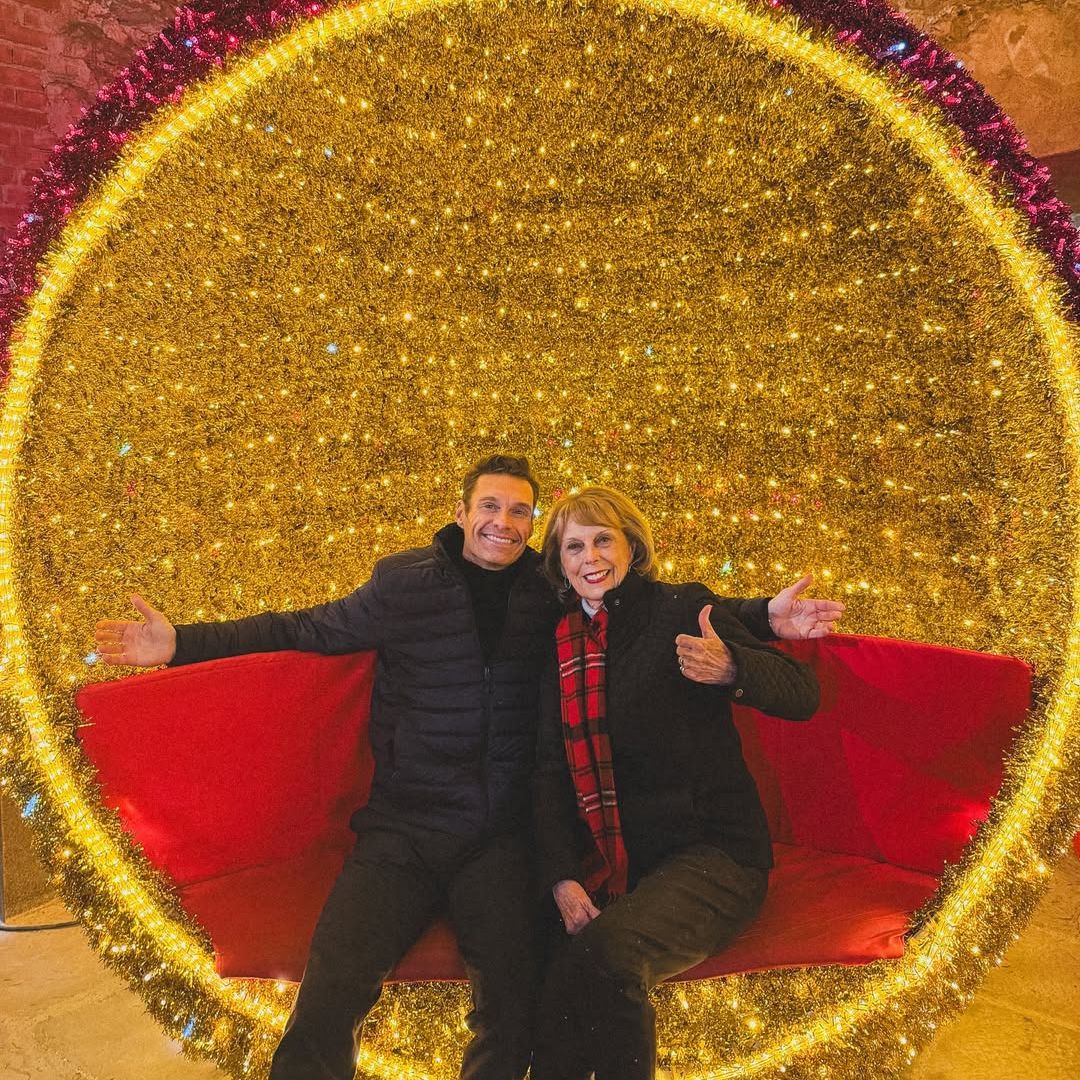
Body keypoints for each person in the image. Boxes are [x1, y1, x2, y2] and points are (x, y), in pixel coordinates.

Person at [93, 456, 841, 1080]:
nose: (505, 524)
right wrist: (179, 644)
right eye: (492, 506)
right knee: (331, 991)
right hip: (405, 830)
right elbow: (304, 627)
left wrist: (761, 624)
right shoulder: (405, 583)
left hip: (501, 840)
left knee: (513, 1010)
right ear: (460, 510)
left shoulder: (550, 595)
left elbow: (654, 602)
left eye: (522, 513)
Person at [530, 486, 821, 1080]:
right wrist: (561, 875)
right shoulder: (557, 644)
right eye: (573, 546)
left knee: (608, 955)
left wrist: (735, 669)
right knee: (542, 958)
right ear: (559, 564)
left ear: (631, 546)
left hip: (714, 855)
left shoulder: (680, 609)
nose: (591, 556)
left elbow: (801, 694)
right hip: (617, 861)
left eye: (603, 538)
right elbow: (547, 771)